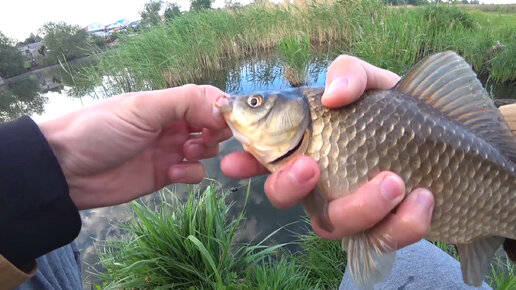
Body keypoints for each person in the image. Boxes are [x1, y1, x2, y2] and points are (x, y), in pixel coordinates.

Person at [0, 56, 489, 289]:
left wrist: (51, 161)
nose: (238, 106)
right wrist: (55, 162)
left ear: (297, 116)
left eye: (255, 103)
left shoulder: (331, 106)